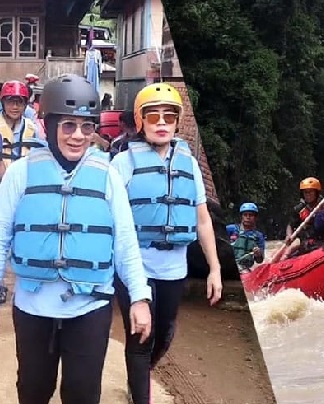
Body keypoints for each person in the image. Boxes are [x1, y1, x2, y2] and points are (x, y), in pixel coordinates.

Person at [0, 73, 152, 404]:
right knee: (33, 389)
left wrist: (140, 298)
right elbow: (0, 237)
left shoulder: (108, 176)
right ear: (50, 125)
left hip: (90, 306)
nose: (78, 136)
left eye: (87, 127)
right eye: (68, 126)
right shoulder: (20, 174)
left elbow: (125, 243)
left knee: (83, 394)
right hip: (33, 306)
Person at [110, 82, 223, 404]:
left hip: (174, 264)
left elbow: (202, 219)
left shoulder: (188, 163)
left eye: (169, 117)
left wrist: (214, 268)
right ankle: (140, 393)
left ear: (177, 122)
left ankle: (139, 377)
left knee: (164, 334)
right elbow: (113, 222)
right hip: (135, 265)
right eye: (154, 116)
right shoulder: (123, 164)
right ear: (141, 120)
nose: (161, 123)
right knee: (141, 337)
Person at [283, 177, 324, 259]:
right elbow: (290, 225)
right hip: (307, 242)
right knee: (291, 251)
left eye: (310, 192)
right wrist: (288, 235)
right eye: (305, 192)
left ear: (316, 192)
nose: (308, 195)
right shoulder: (299, 209)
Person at [0, 80, 46, 173]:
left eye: (19, 102)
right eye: (10, 102)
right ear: (3, 103)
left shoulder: (32, 128)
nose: (15, 107)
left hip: (24, 178)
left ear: (25, 105)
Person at [226, 202, 266, 273]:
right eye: (245, 215)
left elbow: (259, 261)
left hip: (244, 268)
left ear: (255, 217)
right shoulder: (231, 229)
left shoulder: (259, 236)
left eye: (250, 215)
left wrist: (258, 254)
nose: (248, 217)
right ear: (242, 216)